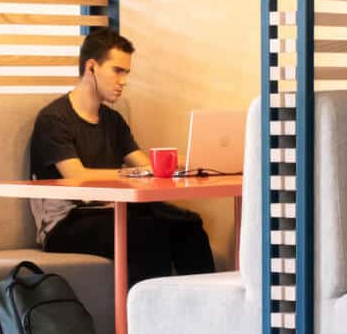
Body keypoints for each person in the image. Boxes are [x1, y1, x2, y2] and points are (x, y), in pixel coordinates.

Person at [29, 28, 214, 286]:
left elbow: (146, 164)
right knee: (147, 234)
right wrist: (133, 175)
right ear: (91, 67)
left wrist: (200, 158)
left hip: (110, 211)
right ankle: (145, 324)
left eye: (126, 72)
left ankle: (204, 319)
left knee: (189, 226)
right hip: (65, 224)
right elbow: (77, 176)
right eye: (118, 70)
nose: (124, 80)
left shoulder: (112, 121)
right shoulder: (54, 119)